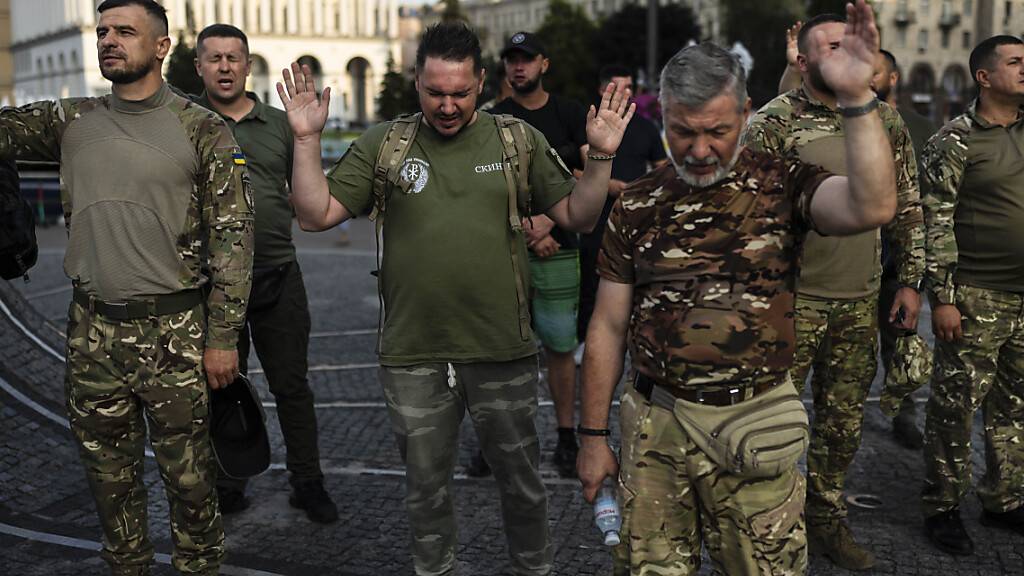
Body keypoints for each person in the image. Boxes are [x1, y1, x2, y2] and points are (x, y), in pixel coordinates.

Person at [277, 21, 633, 575]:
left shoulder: (515, 140)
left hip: (501, 350)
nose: (447, 106)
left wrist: (603, 157)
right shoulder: (386, 143)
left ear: (482, 82)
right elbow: (315, 214)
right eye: (435, 93)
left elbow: (579, 216)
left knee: (522, 485)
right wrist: (305, 141)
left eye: (460, 93)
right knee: (425, 490)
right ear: (416, 82)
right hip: (413, 355)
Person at [577, 2, 900, 573]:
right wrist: (593, 436)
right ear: (664, 116)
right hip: (657, 428)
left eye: (718, 132)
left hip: (755, 424)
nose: (700, 150)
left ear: (746, 114)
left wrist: (856, 97)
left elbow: (872, 205)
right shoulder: (639, 203)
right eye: (684, 131)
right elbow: (607, 324)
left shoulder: (783, 184)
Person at [0, 0, 253, 574]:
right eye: (102, 31)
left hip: (176, 335)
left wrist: (223, 339)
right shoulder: (71, 120)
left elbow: (234, 241)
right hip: (92, 334)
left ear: (161, 46)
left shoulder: (203, 129)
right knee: (110, 486)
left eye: (125, 31)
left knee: (191, 486)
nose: (109, 40)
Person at [746, 12, 925, 571]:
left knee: (842, 424)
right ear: (803, 60)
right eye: (831, 46)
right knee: (772, 423)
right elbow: (746, 215)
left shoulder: (883, 119)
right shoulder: (773, 122)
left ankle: (826, 520)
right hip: (791, 302)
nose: (844, 54)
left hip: (858, 299)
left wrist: (910, 282)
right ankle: (768, 526)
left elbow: (908, 204)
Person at [192, 23, 338, 523]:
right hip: (212, 283)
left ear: (248, 65)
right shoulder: (185, 122)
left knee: (292, 387)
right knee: (222, 386)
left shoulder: (280, 123)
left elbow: (308, 190)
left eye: (233, 57)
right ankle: (228, 481)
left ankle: (308, 481)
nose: (225, 67)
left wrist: (310, 138)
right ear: (199, 67)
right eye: (214, 58)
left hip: (277, 273)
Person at [920, 34, 1024, 556]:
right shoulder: (954, 139)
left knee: (1014, 405)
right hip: (977, 295)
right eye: (1016, 62)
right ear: (984, 77)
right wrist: (942, 297)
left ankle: (1003, 500)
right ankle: (942, 506)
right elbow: (935, 220)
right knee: (955, 406)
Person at [485, 31, 590, 478]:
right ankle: (496, 439)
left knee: (561, 348)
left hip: (559, 249)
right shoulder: (491, 120)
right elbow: (485, 188)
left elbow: (588, 174)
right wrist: (528, 228)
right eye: (512, 59)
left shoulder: (569, 113)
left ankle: (566, 436)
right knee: (499, 350)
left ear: (544, 64)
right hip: (505, 253)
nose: (518, 66)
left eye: (526, 58)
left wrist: (550, 222)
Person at [871, 48, 936, 450]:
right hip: (852, 257)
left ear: (892, 78)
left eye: (875, 73)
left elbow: (931, 198)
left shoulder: (922, 128)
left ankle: (904, 412)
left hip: (898, 259)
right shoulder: (845, 123)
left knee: (901, 339)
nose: (866, 80)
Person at [577, 65, 667, 344]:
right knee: (593, 280)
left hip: (637, 217)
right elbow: (574, 170)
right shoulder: (589, 123)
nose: (625, 93)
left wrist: (644, 189)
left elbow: (663, 168)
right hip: (597, 216)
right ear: (602, 90)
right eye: (617, 87)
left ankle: (636, 339)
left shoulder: (646, 128)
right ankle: (587, 341)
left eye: (629, 87)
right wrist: (609, 185)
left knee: (639, 279)